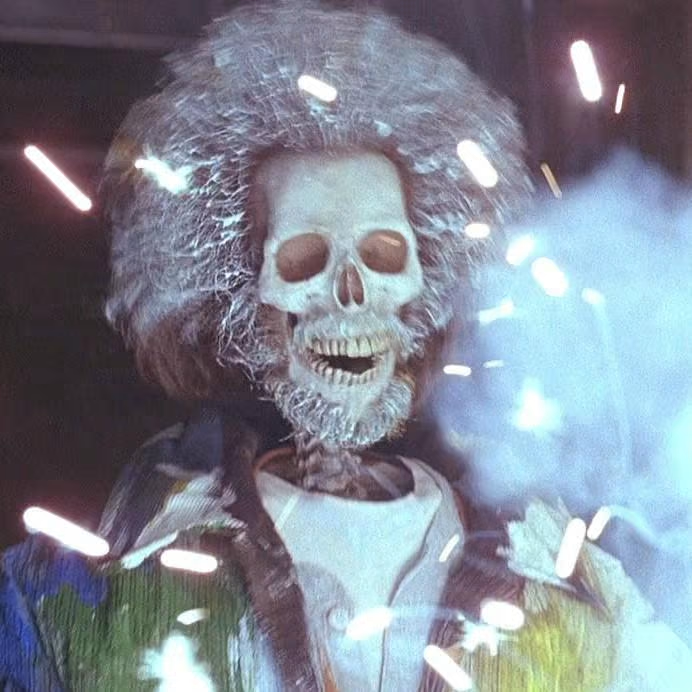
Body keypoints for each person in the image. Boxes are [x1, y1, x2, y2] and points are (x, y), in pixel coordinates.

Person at [1, 2, 690, 690]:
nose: (352, 294)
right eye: (303, 258)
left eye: (383, 254)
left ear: (426, 281)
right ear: (239, 291)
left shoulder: (565, 580)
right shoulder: (80, 590)